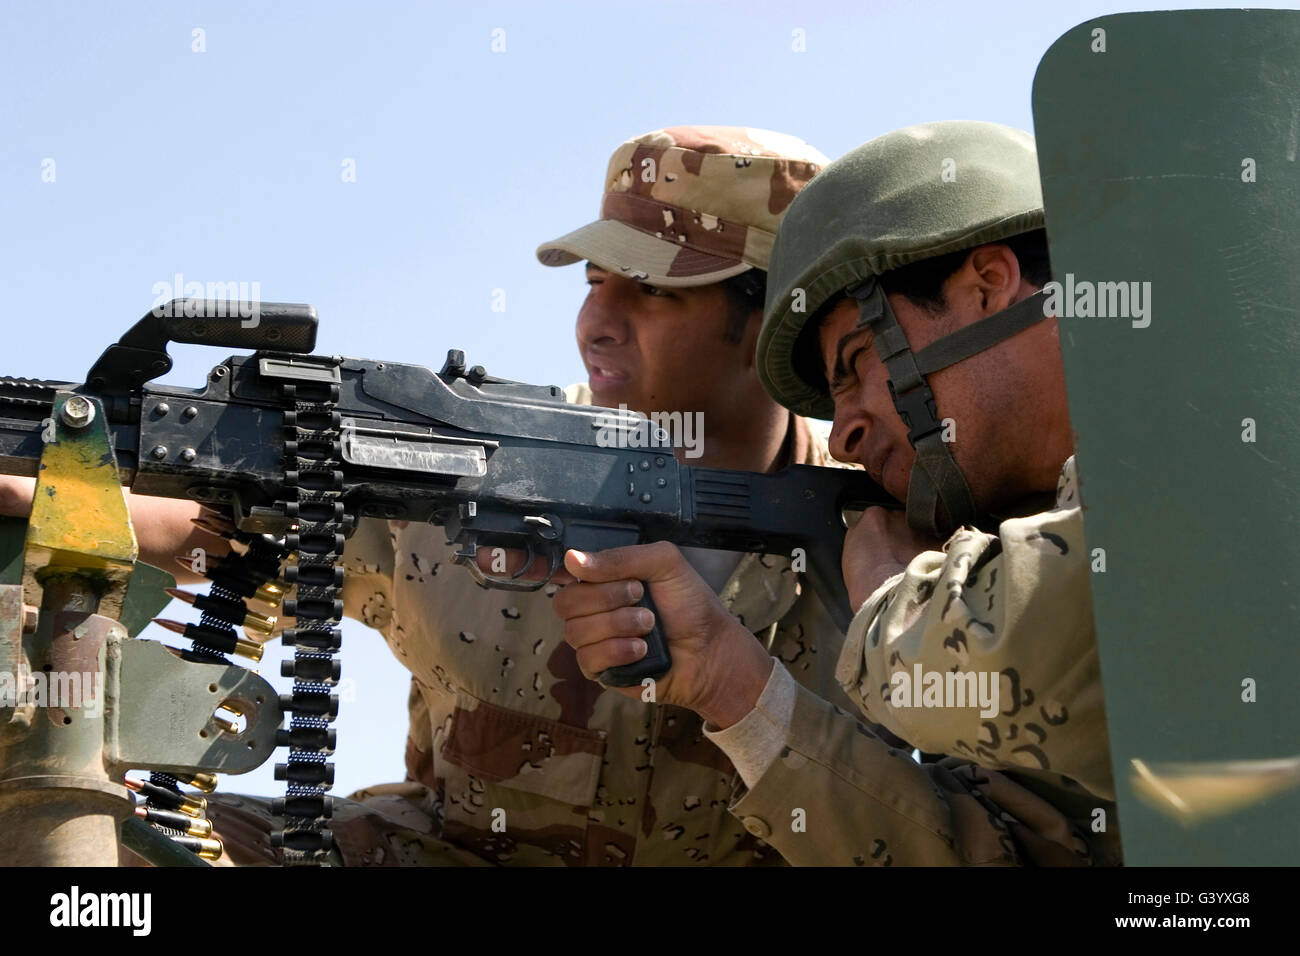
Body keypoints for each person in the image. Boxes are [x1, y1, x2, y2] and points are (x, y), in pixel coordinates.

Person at [4, 125, 861, 866]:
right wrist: (44, 485)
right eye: (594, 282)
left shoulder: (885, 544)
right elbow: (224, 521)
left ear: (774, 319)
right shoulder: (471, 463)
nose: (596, 321)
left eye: (652, 289)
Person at [550, 120, 1122, 865]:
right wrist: (734, 685)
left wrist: (894, 590)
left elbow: (1030, 649)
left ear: (987, 285)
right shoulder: (1025, 515)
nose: (846, 433)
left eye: (854, 364)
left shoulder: (1189, 412)